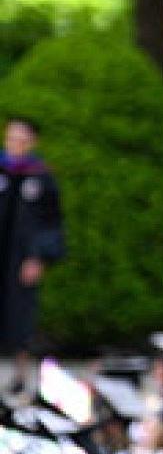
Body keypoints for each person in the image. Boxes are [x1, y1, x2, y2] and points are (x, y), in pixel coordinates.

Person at [0, 115, 65, 395]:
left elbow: (52, 222)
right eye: (11, 138)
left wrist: (39, 257)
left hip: (21, 260)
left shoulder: (42, 178)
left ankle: (20, 374)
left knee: (20, 316)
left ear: (32, 142)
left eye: (21, 139)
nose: (15, 144)